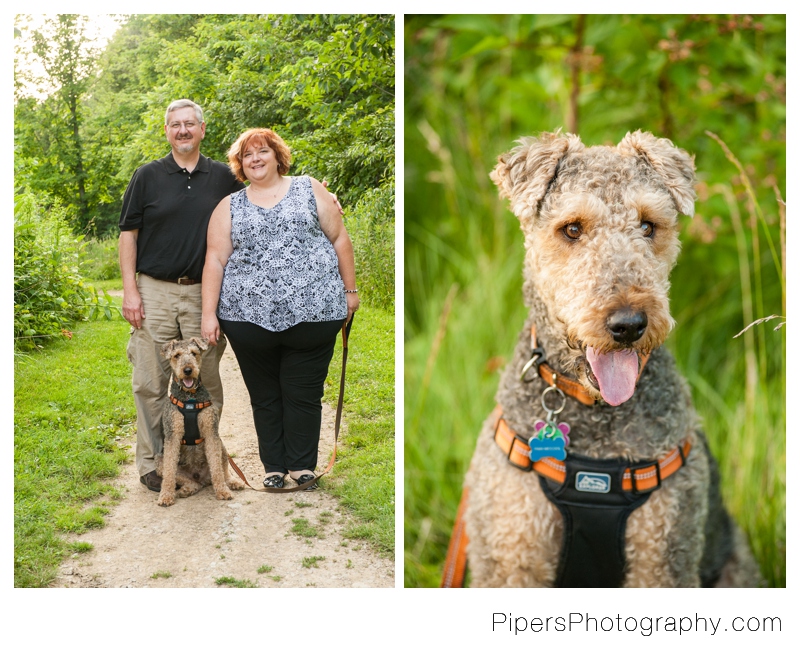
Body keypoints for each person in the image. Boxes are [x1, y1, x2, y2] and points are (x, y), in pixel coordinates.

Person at [201, 128, 359, 490]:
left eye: (262, 152)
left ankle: (302, 466)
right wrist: (209, 314)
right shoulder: (230, 206)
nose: (255, 159)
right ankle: (273, 468)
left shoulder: (309, 188)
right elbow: (215, 259)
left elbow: (339, 238)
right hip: (246, 318)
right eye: (247, 155)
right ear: (239, 165)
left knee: (303, 392)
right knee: (265, 395)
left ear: (277, 156)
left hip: (315, 313)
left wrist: (350, 291)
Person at [119, 99, 243, 492]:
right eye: (176, 125)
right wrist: (130, 291)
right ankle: (155, 467)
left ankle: (207, 464)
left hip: (203, 294)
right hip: (153, 290)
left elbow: (264, 195)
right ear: (167, 131)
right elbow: (128, 235)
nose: (183, 130)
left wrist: (319, 194)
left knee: (205, 377)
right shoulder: (146, 176)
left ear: (203, 129)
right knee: (151, 380)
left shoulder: (223, 176)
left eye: (190, 124)